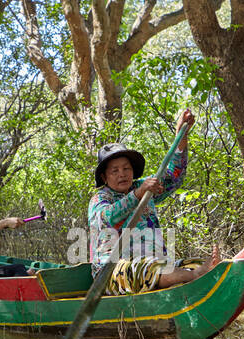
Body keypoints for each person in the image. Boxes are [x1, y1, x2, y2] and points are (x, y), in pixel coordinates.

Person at [88, 108, 221, 294]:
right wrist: (137, 195)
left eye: (126, 168)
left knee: (194, 263)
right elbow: (107, 218)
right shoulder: (100, 199)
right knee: (151, 269)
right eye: (115, 171)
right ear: (104, 176)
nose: (122, 174)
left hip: (155, 261)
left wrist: (181, 135)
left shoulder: (143, 186)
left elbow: (174, 176)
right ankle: (193, 276)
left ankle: (194, 274)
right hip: (112, 271)